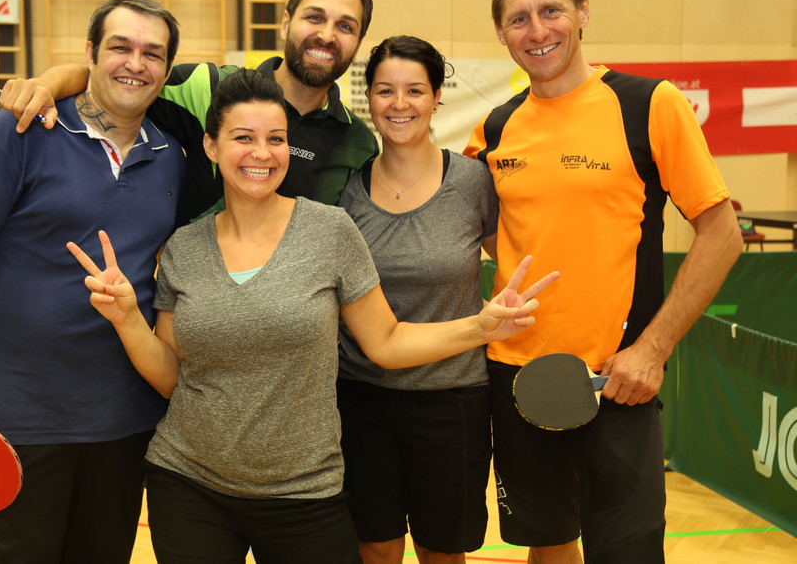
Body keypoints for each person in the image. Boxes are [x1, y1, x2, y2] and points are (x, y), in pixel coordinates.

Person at [67, 69, 558, 564]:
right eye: (243, 138)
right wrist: (128, 319)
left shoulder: (330, 230)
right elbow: (173, 377)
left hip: (305, 490)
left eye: (275, 139)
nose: (262, 153)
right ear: (212, 147)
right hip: (189, 483)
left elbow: (385, 342)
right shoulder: (184, 248)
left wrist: (480, 327)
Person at [463, 0, 743, 563]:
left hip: (620, 381)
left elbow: (722, 235)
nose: (538, 31)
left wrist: (652, 349)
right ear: (501, 32)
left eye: (552, 10)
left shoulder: (650, 104)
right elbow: (488, 230)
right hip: (517, 378)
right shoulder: (495, 129)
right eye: (518, 18)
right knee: (549, 548)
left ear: (584, 9)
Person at [0, 0, 187, 562]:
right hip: (18, 423)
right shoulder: (17, 130)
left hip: (125, 426)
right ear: (89, 53)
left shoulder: (172, 156)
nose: (135, 63)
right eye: (120, 47)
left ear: (167, 69)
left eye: (152, 54)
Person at [0, 0, 378, 218]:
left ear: (358, 42)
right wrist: (46, 85)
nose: (326, 35)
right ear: (285, 23)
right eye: (314, 17)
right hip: (194, 300)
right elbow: (122, 79)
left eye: (345, 26)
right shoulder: (210, 87)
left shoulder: (358, 143)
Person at [336, 36, 498, 564]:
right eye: (385, 90)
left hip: (452, 402)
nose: (399, 103)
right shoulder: (347, 193)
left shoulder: (474, 182)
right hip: (361, 398)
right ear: (368, 98)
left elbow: (518, 263)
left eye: (415, 90)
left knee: (441, 551)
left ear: (436, 98)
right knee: (375, 547)